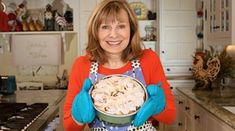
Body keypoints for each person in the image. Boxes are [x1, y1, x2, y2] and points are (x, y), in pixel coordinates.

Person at [63, 0, 176, 130]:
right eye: (105, 27)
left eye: (121, 26)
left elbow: (170, 116)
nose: (114, 34)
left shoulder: (149, 59)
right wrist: (77, 117)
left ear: (131, 29)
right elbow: (69, 127)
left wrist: (159, 107)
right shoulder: (82, 65)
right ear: (95, 31)